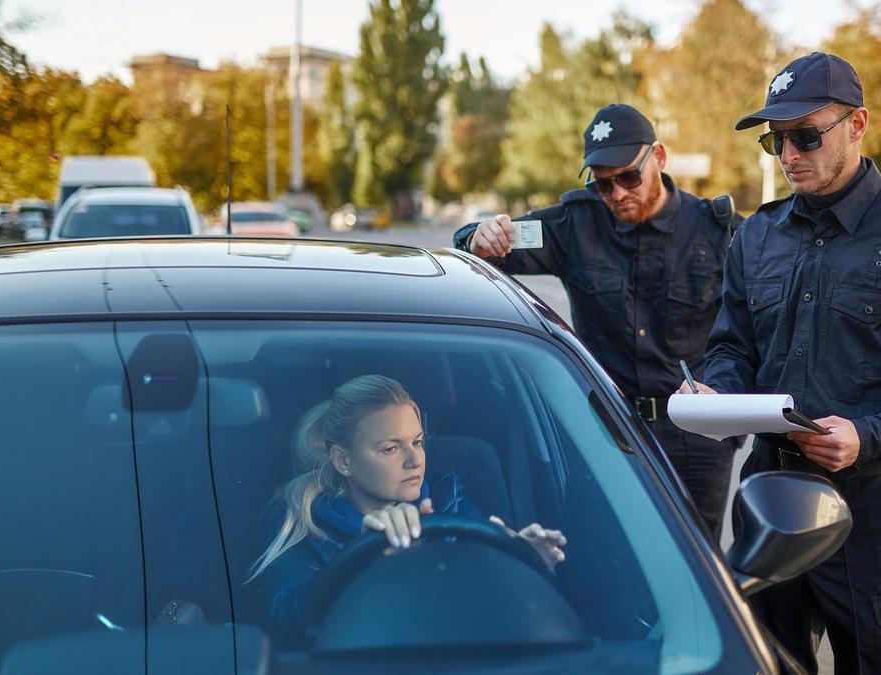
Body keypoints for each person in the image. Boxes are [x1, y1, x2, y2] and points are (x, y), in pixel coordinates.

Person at [678, 52, 881, 673]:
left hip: (870, 510)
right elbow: (733, 346)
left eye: (806, 136)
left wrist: (869, 435)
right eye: (776, 140)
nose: (789, 154)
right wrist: (720, 394)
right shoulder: (759, 235)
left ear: (858, 124)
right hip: (769, 491)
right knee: (767, 660)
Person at [454, 103, 739, 536]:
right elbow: (485, 246)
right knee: (608, 548)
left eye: (628, 177)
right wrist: (478, 235)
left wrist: (729, 416)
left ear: (658, 158)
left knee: (696, 563)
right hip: (607, 428)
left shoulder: (716, 231)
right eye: (603, 185)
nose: (618, 194)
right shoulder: (575, 224)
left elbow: (752, 332)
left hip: (694, 434)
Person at [248, 374, 566, 643]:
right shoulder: (298, 518)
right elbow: (286, 619)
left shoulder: (446, 495)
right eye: (390, 448)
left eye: (417, 442)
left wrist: (525, 562)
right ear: (343, 460)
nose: (415, 460)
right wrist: (368, 565)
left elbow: (488, 587)